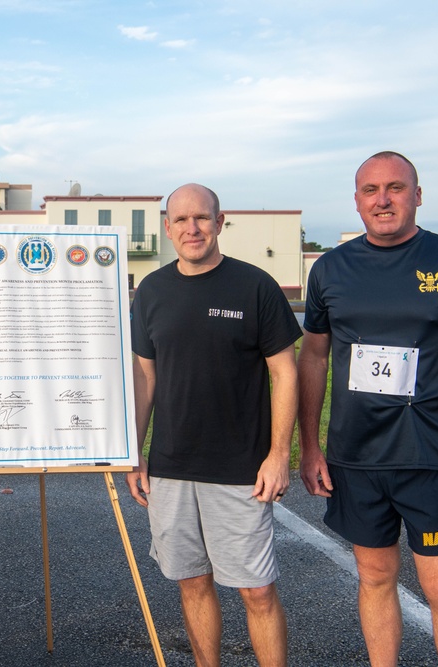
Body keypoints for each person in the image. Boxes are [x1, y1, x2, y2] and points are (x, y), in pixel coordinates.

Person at [297, 151, 438, 666]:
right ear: (356, 201)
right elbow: (315, 358)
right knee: (374, 578)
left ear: (417, 194)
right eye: (370, 190)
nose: (383, 199)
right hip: (357, 458)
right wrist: (308, 446)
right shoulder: (329, 269)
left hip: (429, 457)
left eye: (395, 187)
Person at [126, 183, 301, 666]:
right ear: (167, 228)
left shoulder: (255, 286)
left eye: (201, 218)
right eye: (180, 220)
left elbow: (284, 371)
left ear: (220, 222)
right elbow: (146, 377)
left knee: (257, 592)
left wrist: (279, 454)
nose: (191, 228)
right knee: (192, 584)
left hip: (241, 469)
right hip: (171, 467)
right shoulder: (153, 291)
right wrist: (134, 451)